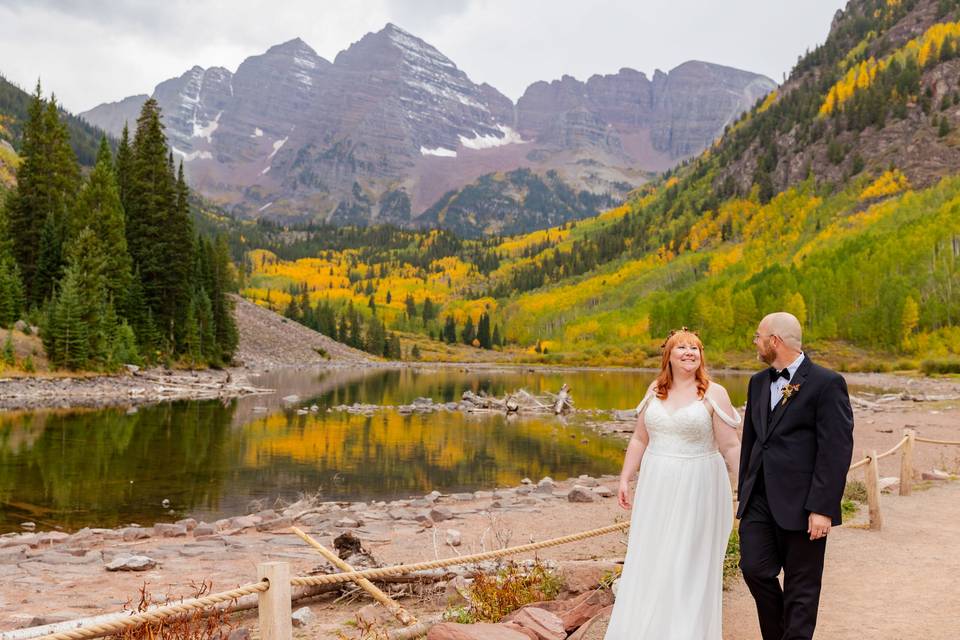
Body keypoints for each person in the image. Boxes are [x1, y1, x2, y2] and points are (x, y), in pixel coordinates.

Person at [605, 328, 741, 639]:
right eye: (681, 347)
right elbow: (640, 438)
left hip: (699, 483)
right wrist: (625, 477)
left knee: (688, 559)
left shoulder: (713, 392)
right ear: (669, 355)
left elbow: (730, 446)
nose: (689, 352)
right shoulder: (655, 389)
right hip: (657, 484)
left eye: (695, 348)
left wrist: (748, 484)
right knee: (653, 554)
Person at [738, 312, 854, 640]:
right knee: (754, 570)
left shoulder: (827, 383)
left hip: (805, 504)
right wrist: (744, 493)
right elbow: (752, 440)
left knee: (802, 588)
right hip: (759, 500)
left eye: (759, 336)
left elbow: (836, 450)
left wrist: (823, 507)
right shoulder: (758, 382)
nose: (755, 343)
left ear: (774, 341)